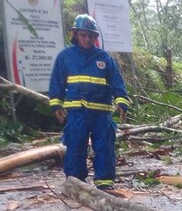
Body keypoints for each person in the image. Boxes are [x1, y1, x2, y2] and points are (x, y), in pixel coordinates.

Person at [49, 14, 130, 191]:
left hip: (101, 113)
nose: (87, 39)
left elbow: (117, 83)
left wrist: (122, 103)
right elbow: (57, 83)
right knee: (75, 145)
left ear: (95, 37)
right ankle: (76, 182)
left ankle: (105, 183)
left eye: (90, 36)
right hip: (76, 112)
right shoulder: (65, 57)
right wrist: (56, 105)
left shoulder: (105, 58)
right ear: (76, 34)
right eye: (83, 35)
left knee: (104, 146)